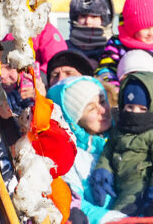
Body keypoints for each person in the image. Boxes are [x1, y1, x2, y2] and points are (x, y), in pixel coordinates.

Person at [90, 72, 153, 216]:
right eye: (129, 107)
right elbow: (108, 152)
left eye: (142, 109)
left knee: (120, 216)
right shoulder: (120, 130)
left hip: (141, 189)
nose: (134, 113)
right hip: (119, 185)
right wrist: (103, 169)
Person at [47, 76, 125, 224]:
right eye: (91, 109)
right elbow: (76, 204)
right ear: (74, 120)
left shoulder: (124, 137)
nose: (103, 110)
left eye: (102, 101)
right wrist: (117, 219)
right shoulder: (67, 157)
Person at [67, 0, 116, 67]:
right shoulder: (63, 49)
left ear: (105, 20)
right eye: (83, 16)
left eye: (94, 16)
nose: (88, 22)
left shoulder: (115, 49)